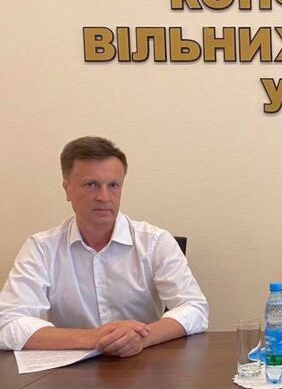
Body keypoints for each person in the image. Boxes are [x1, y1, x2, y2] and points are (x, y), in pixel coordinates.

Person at [0, 136, 209, 356]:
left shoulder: (155, 242)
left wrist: (141, 337)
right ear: (67, 189)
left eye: (113, 185)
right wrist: (94, 338)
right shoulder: (41, 248)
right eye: (91, 185)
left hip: (141, 361)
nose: (104, 197)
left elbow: (195, 308)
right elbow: (7, 323)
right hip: (71, 368)